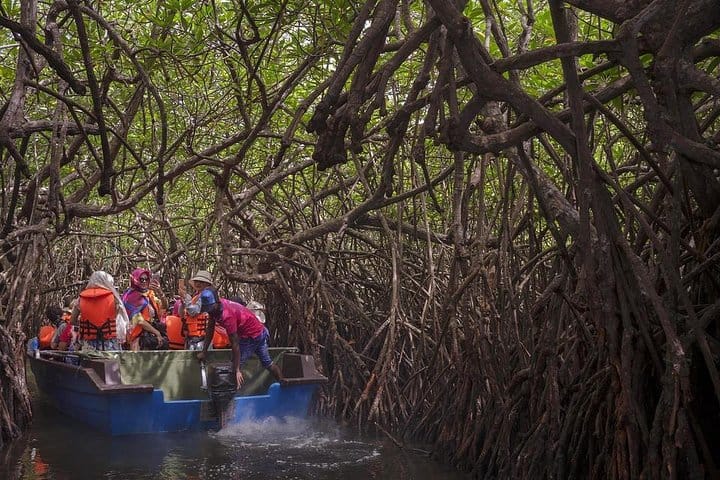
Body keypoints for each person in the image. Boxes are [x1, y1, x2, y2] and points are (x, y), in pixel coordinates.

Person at [198, 297, 284, 388]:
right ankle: (283, 383)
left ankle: (230, 398)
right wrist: (204, 351)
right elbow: (210, 329)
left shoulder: (227, 316)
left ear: (214, 305)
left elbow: (235, 343)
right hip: (259, 332)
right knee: (268, 363)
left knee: (232, 369)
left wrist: (237, 369)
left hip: (250, 336)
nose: (208, 312)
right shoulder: (217, 304)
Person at [71, 271, 129, 351]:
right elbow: (118, 320)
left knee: (91, 363)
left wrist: (85, 326)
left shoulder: (81, 298)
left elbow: (72, 321)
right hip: (109, 342)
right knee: (111, 363)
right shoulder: (114, 298)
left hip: (89, 343)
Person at [122, 268, 167, 351]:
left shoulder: (149, 295)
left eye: (146, 279)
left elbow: (164, 307)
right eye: (141, 279)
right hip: (137, 339)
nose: (144, 282)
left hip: (150, 336)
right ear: (135, 280)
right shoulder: (131, 296)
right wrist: (156, 332)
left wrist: (160, 292)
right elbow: (138, 320)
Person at [178, 270, 222, 351]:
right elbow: (181, 314)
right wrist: (183, 301)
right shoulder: (195, 297)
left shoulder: (207, 297)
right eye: (196, 281)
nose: (198, 284)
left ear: (207, 284)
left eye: (201, 282)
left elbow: (193, 312)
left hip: (202, 339)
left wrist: (185, 296)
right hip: (191, 337)